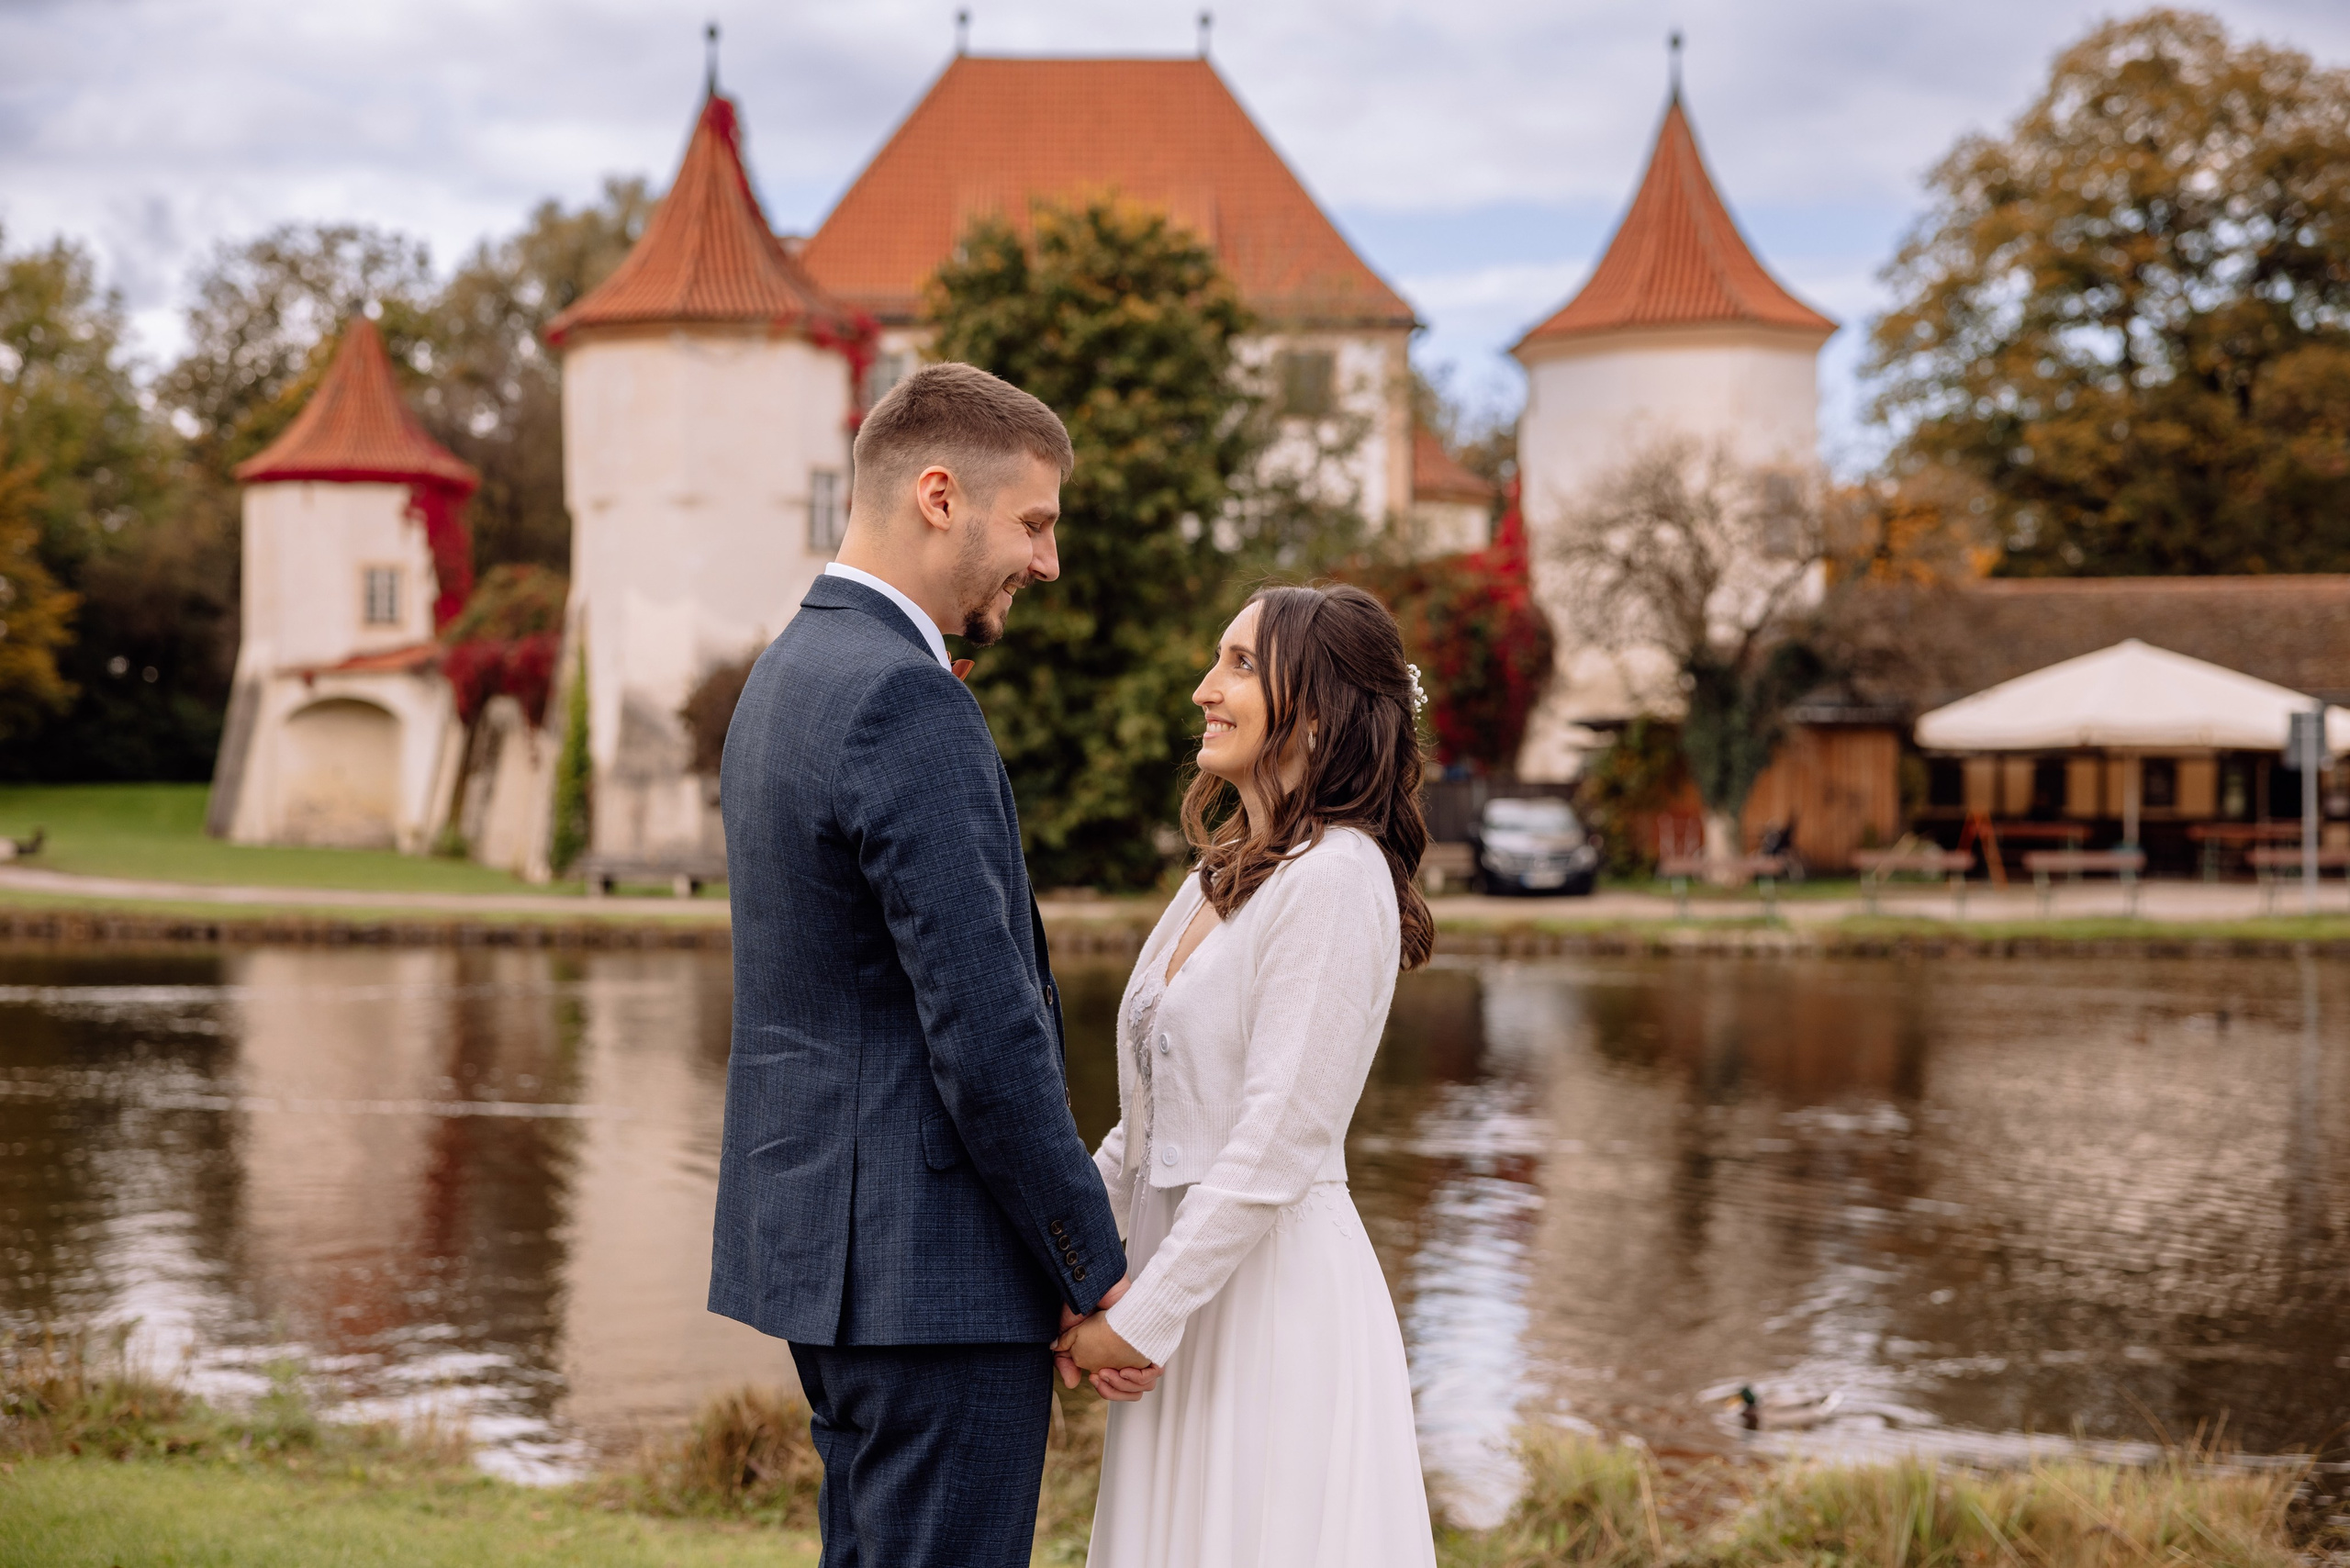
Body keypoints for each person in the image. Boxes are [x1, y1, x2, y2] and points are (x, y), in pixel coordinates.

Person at [710, 362, 1158, 1568]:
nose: (1047, 562)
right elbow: (984, 1027)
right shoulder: (906, 699)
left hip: (832, 1265)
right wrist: (1088, 1265)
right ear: (942, 495)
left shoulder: (786, 678)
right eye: (1036, 522)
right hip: (934, 1281)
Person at [1058, 582, 1442, 1567]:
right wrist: (1075, 1273)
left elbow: (1276, 1142)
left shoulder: (1337, 876)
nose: (1203, 688)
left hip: (1270, 1303)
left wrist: (1141, 1319)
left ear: (1312, 708)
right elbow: (1142, 1123)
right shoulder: (1217, 873)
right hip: (1185, 1292)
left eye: (1236, 663)